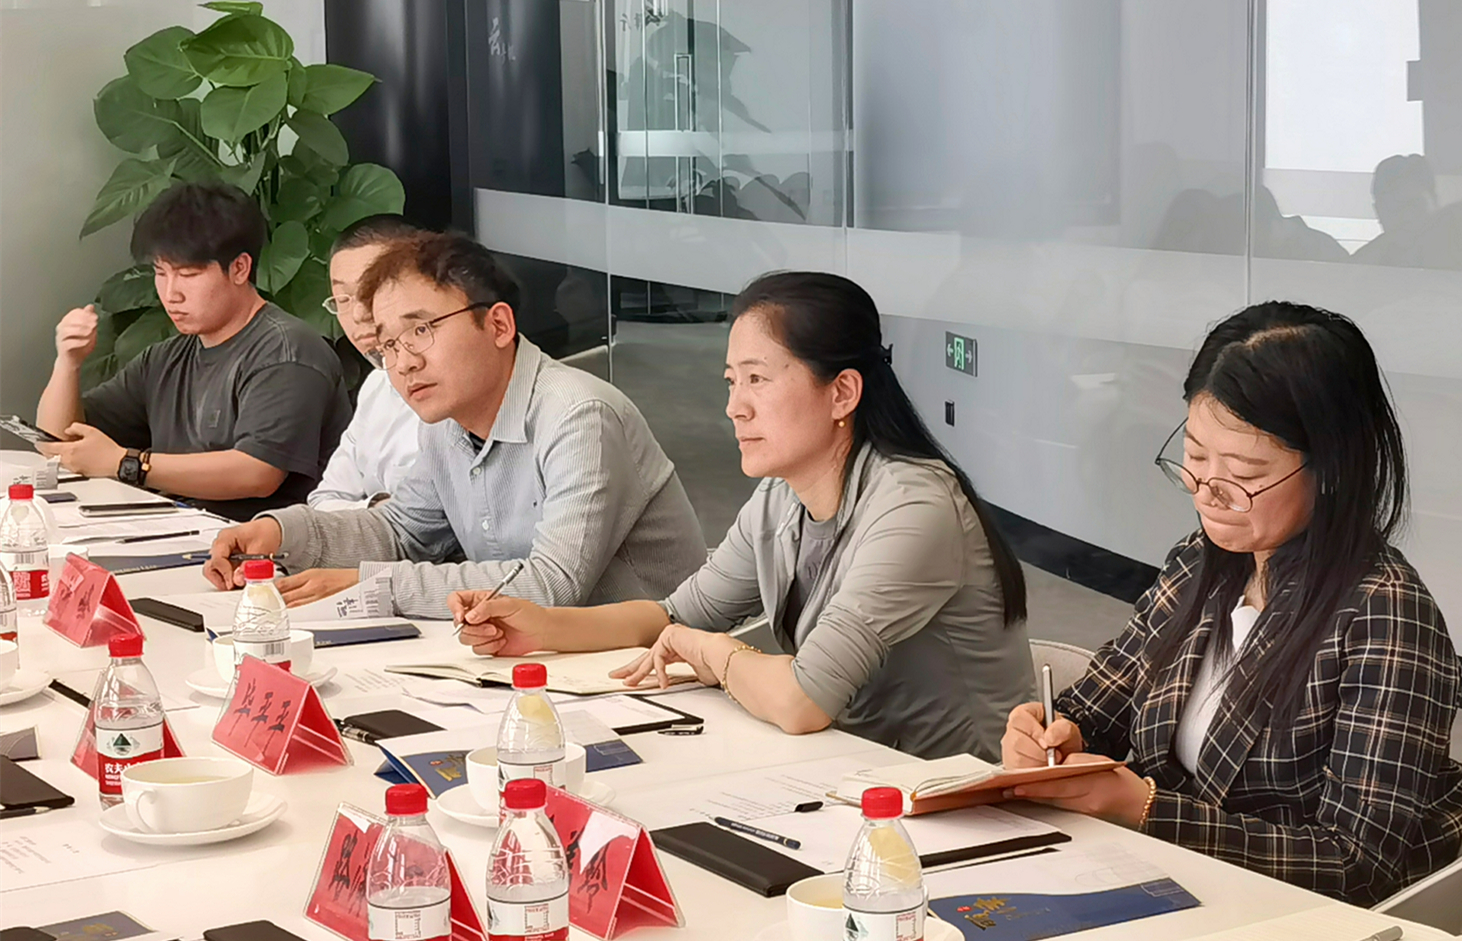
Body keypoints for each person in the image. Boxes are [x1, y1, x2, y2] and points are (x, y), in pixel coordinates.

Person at [450, 271, 1034, 760]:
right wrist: (540, 627)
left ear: (842, 392)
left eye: (758, 379)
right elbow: (674, 615)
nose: (735, 407)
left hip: (967, 806)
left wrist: (713, 653)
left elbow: (802, 701)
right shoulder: (783, 496)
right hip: (849, 775)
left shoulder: (914, 506)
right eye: (732, 382)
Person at [999, 302, 1462, 906]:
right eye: (1195, 457)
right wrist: (1050, 734)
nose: (1206, 492)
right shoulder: (1202, 561)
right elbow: (1098, 707)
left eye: (1244, 471)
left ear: (1331, 469)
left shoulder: (1386, 615)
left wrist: (1145, 809)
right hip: (1155, 881)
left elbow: (1356, 864)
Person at [204, 231, 707, 616]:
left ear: (498, 325)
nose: (404, 362)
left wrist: (372, 584)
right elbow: (401, 532)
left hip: (650, 670)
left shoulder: (578, 416)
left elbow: (551, 585)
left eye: (421, 330)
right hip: (535, 659)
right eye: (389, 345)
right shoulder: (445, 423)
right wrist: (281, 532)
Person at [36, 183, 350, 521]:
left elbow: (257, 474)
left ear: (240, 268)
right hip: (174, 532)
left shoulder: (287, 351)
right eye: (160, 273)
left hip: (257, 544)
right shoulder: (165, 358)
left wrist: (127, 463)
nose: (171, 293)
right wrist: (68, 363)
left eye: (188, 274)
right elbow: (59, 443)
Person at [306, 216, 425, 511]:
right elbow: (323, 501)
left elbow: (433, 518)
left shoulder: (457, 383)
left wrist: (382, 513)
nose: (358, 314)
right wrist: (380, 508)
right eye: (342, 299)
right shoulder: (377, 385)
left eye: (371, 290)